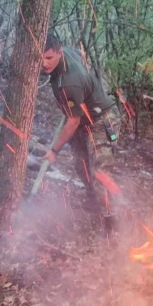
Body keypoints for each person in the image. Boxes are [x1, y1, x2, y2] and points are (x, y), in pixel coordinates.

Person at [40, 35, 121, 218]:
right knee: (81, 164)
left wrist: (54, 151)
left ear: (59, 53)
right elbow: (80, 53)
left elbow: (72, 122)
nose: (44, 63)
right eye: (41, 57)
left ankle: (110, 220)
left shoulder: (69, 83)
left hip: (102, 120)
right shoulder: (68, 52)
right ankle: (94, 202)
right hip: (81, 119)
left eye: (49, 58)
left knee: (99, 173)